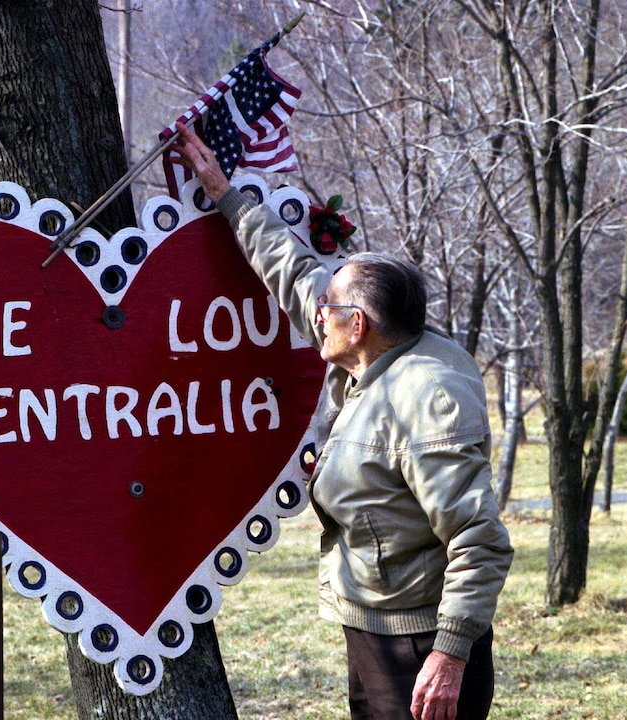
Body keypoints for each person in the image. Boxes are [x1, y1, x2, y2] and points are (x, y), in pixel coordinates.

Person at [172, 123, 514, 720]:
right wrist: (224, 193)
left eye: (329, 310)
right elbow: (295, 271)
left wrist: (450, 655)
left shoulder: (427, 396)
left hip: (419, 645)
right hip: (374, 627)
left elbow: (479, 541)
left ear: (357, 324)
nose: (317, 314)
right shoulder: (375, 346)